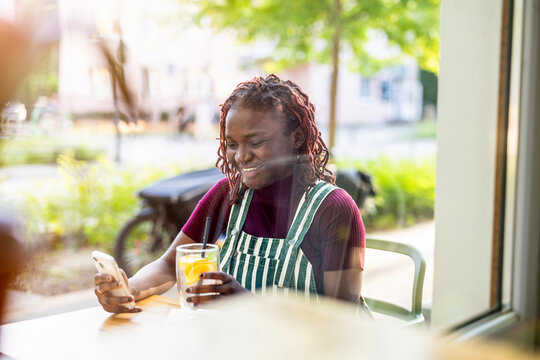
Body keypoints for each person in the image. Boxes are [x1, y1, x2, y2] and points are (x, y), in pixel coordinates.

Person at [94, 74, 366, 313]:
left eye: (256, 142)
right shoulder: (229, 195)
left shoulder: (333, 209)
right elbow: (168, 266)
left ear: (295, 138)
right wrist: (129, 290)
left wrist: (247, 304)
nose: (241, 157)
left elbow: (340, 321)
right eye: (232, 144)